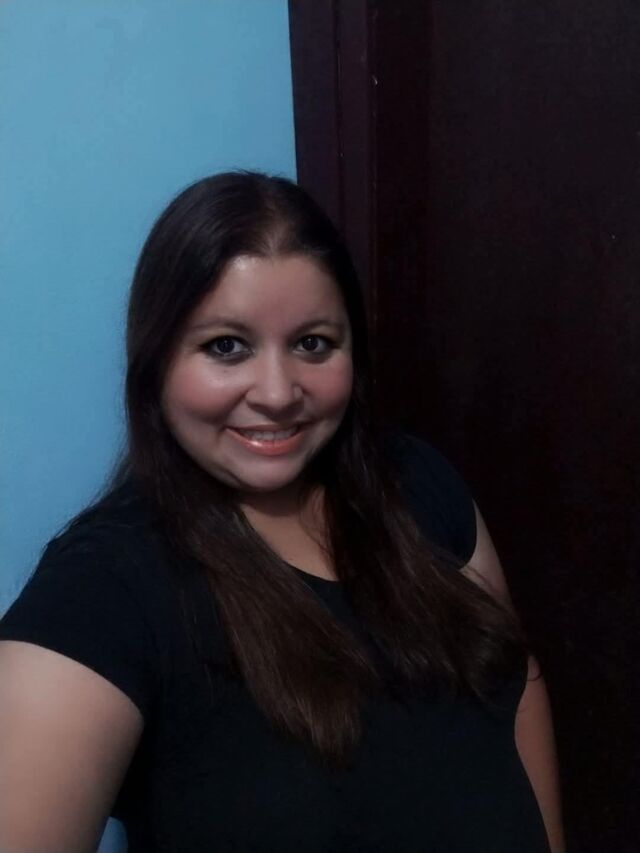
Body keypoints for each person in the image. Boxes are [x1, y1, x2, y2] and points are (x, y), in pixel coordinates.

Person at [0, 171, 564, 852]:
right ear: (155, 360)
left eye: (312, 343)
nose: (277, 393)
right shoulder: (103, 586)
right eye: (226, 346)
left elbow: (515, 682)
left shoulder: (416, 482)